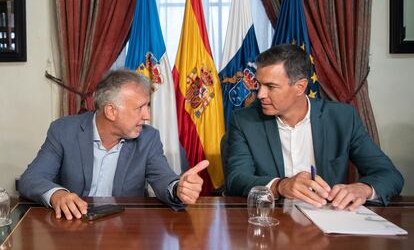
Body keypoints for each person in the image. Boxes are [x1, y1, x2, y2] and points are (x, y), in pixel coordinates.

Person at [224, 44, 404, 210]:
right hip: (271, 220)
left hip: (327, 222)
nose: (260, 94)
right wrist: (280, 186)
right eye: (259, 85)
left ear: (300, 87)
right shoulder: (244, 120)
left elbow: (389, 174)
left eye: (271, 86)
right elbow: (236, 179)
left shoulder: (342, 118)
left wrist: (363, 188)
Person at [20, 70, 207, 220]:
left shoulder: (148, 138)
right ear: (111, 111)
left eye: (148, 106)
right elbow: (30, 179)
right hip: (72, 227)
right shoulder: (64, 130)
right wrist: (57, 195)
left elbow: (163, 178)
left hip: (125, 230)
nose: (147, 116)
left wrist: (178, 189)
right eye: (140, 108)